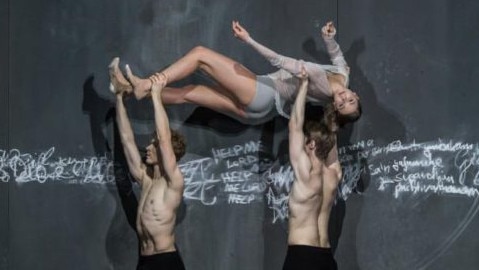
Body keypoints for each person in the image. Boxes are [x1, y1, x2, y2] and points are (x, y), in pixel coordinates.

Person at [109, 21, 360, 126]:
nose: (343, 99)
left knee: (200, 56)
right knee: (189, 93)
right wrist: (329, 39)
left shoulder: (322, 84)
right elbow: (338, 57)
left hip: (263, 94)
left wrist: (248, 40)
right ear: (355, 95)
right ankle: (130, 91)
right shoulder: (344, 75)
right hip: (258, 111)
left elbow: (280, 60)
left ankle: (146, 85)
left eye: (341, 106)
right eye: (350, 100)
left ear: (334, 108)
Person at [111, 69, 187, 270]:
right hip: (145, 260)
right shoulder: (146, 179)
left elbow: (163, 139)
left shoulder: (173, 182)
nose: (148, 147)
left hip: (165, 262)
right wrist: (119, 99)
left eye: (153, 145)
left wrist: (156, 95)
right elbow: (127, 140)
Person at [282, 71, 341, 270]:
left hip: (302, 257)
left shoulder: (306, 173)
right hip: (326, 257)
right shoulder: (334, 174)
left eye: (306, 141)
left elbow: (294, 126)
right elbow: (332, 134)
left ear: (312, 145)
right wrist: (333, 110)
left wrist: (304, 85)